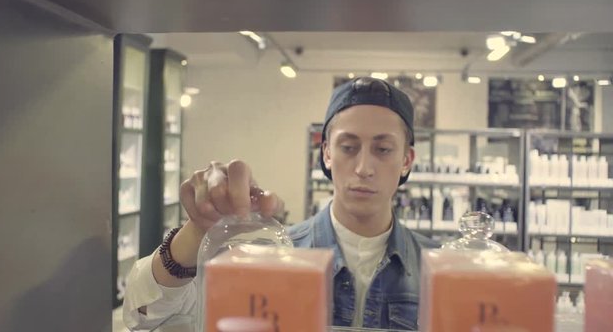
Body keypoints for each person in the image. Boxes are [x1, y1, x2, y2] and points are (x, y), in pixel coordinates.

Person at [123, 77, 439, 331]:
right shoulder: (275, 255)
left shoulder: (441, 270)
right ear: (327, 153)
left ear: (407, 160)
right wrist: (197, 232)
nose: (363, 168)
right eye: (348, 147)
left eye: (383, 149)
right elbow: (146, 318)